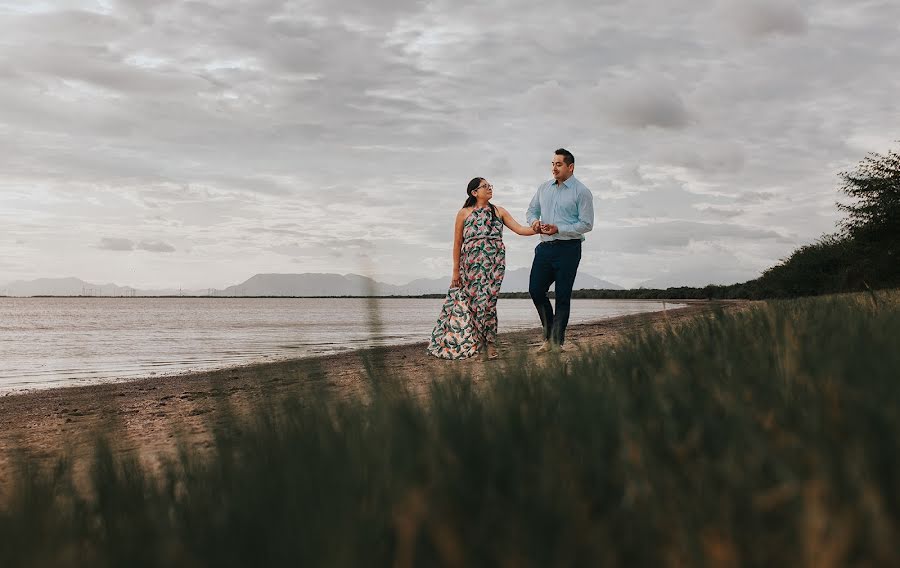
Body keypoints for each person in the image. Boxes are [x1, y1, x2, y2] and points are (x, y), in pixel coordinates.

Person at [427, 177, 538, 360]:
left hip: (494, 264)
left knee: (488, 303)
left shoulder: (498, 211)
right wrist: (455, 270)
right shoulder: (464, 213)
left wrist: (539, 229)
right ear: (474, 192)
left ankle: (491, 344)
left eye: (490, 186)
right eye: (484, 186)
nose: (489, 188)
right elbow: (457, 244)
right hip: (469, 265)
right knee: (472, 304)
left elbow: (519, 229)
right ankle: (478, 344)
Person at [526, 148, 594, 352]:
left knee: (562, 296)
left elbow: (587, 224)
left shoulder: (581, 192)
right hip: (545, 248)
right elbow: (531, 211)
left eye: (558, 164)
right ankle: (549, 336)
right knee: (536, 290)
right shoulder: (544, 188)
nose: (554, 168)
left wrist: (560, 229)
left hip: (569, 249)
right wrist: (535, 223)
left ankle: (556, 342)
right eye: (553, 164)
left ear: (570, 167)